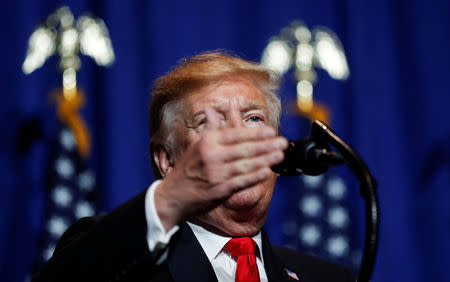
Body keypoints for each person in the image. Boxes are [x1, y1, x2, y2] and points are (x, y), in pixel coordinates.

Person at [33, 52, 354, 282]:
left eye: (254, 119)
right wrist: (170, 199)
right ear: (167, 161)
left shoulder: (327, 276)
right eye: (208, 123)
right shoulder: (121, 259)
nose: (237, 138)